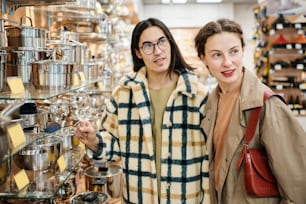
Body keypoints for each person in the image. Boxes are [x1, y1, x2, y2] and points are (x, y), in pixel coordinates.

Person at [75, 17, 210, 204]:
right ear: (138, 52)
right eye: (148, 45)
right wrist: (94, 141)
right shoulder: (124, 93)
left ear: (170, 43)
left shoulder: (197, 94)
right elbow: (113, 142)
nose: (157, 51)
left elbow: (208, 156)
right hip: (139, 197)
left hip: (186, 197)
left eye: (162, 42)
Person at [194, 18, 306, 204]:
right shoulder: (211, 104)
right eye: (217, 55)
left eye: (234, 51)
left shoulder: (267, 105)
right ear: (203, 58)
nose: (228, 62)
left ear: (243, 51)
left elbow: (298, 184)